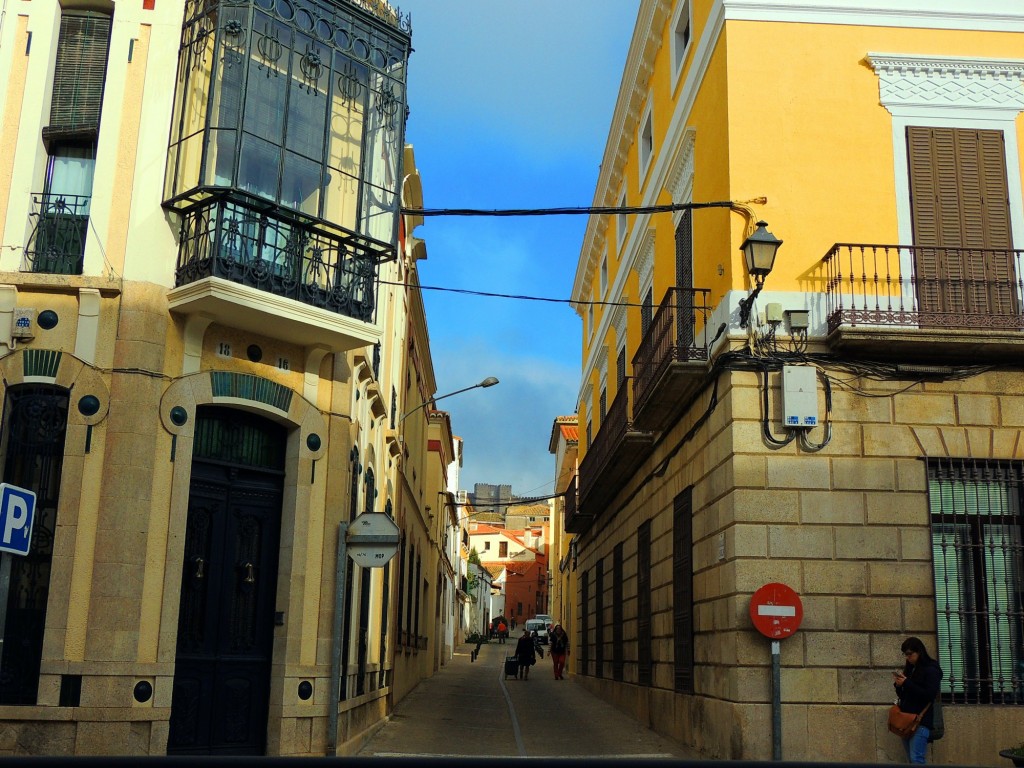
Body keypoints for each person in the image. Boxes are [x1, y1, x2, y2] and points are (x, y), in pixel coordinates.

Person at [893, 636, 943, 764]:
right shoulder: (911, 669)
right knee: (911, 760)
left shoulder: (931, 669)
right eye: (905, 654)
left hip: (920, 721)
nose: (907, 657)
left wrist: (907, 683)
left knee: (917, 759)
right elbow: (904, 695)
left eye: (910, 654)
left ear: (919, 652)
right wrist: (899, 685)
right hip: (907, 721)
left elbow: (929, 695)